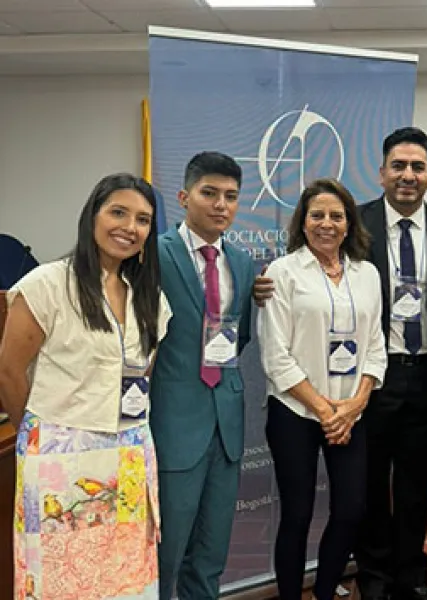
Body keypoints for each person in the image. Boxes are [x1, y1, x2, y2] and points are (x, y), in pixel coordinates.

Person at [0, 174, 171, 599]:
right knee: (63, 577)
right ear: (92, 216)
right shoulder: (47, 284)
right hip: (61, 457)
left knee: (125, 579)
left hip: (129, 453)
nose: (129, 227)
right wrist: (38, 435)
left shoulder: (148, 296)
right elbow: (9, 372)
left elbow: (142, 375)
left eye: (143, 220)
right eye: (118, 212)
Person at [355, 127, 427, 600]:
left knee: (416, 485)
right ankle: (373, 578)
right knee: (369, 483)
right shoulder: (354, 224)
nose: (408, 175)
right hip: (371, 376)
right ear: (381, 172)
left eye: (417, 167)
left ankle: (411, 579)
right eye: (398, 166)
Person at [258, 178, 387, 600]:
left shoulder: (367, 274)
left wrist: (356, 403)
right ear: (303, 221)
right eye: (317, 215)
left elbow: (375, 346)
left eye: (336, 215)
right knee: (296, 515)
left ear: (349, 224)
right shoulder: (283, 272)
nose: (326, 223)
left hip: (350, 412)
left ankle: (326, 591)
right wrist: (325, 410)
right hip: (295, 411)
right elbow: (275, 354)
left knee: (351, 510)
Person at [150, 151, 256, 599]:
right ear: (183, 197)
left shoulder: (242, 262)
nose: (220, 205)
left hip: (226, 422)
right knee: (166, 550)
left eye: (230, 196)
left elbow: (239, 336)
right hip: (174, 422)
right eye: (209, 193)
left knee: (211, 552)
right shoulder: (153, 254)